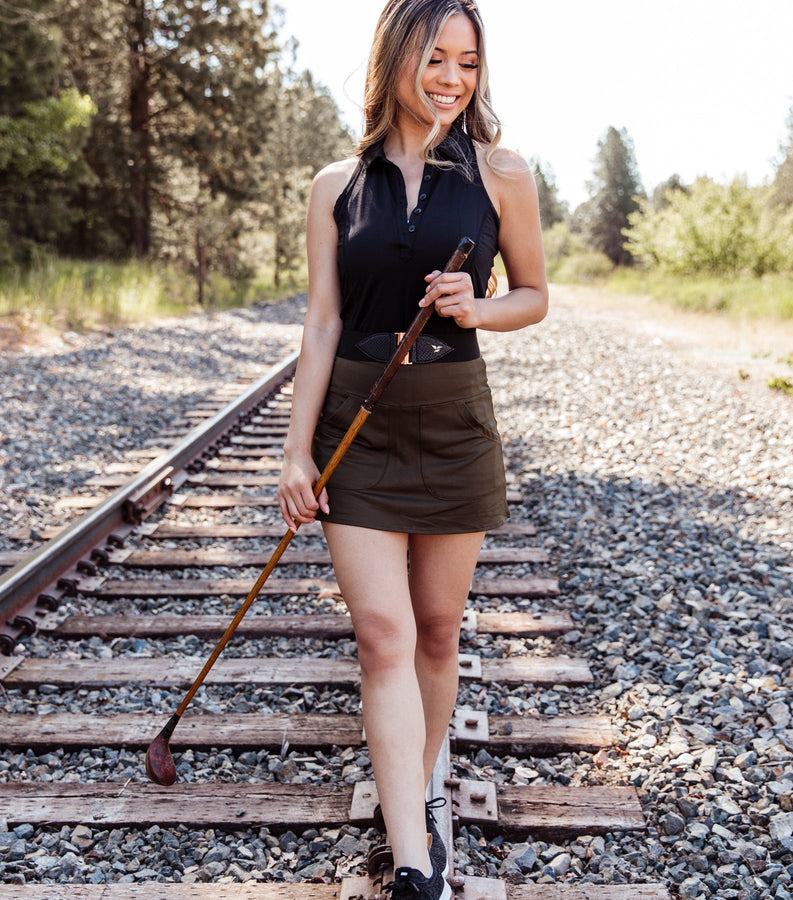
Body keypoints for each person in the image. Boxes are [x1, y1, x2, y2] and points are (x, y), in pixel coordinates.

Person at [278, 1, 547, 897]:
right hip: (356, 423)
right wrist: (294, 452)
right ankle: (411, 858)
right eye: (437, 57)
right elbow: (320, 326)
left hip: (453, 421)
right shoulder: (332, 187)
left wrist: (480, 305)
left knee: (435, 630)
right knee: (383, 635)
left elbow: (535, 294)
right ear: (396, 54)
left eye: (468, 64)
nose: (451, 79)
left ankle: (421, 784)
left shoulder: (502, 173)